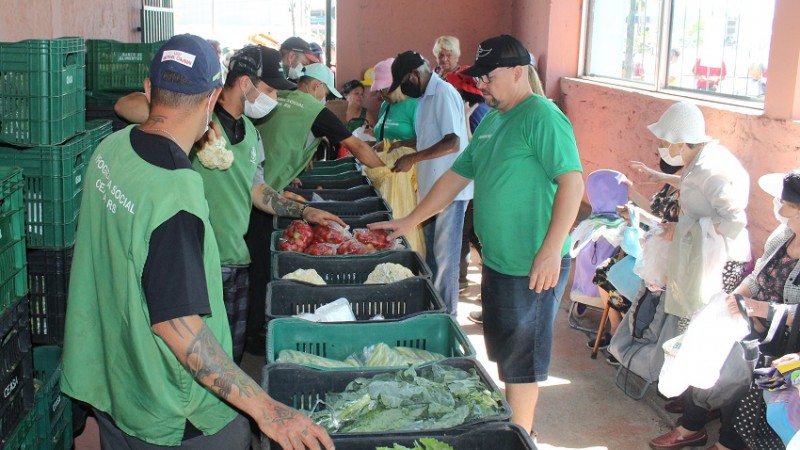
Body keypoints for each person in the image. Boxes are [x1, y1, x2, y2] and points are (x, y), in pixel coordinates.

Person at [60, 34, 333, 450]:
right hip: (169, 407)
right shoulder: (176, 194)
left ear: (150, 90)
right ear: (211, 100)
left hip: (112, 379)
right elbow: (176, 325)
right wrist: (265, 409)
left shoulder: (110, 149)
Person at [371, 34, 584, 436]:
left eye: (488, 76)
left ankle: (520, 437)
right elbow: (454, 178)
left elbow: (572, 183)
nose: (481, 84)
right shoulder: (493, 121)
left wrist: (552, 249)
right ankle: (519, 426)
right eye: (479, 76)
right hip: (500, 262)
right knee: (504, 355)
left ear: (518, 72)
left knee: (522, 364)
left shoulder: (541, 116)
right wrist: (409, 220)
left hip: (532, 264)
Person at [110, 45, 346, 363]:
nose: (274, 99)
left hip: (237, 262)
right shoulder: (197, 119)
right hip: (197, 261)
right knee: (191, 358)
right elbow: (127, 105)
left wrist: (304, 211)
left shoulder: (251, 133)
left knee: (227, 356)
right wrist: (198, 123)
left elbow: (257, 190)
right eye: (269, 89)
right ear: (245, 83)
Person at [650, 170, 800, 450]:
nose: (778, 205)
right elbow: (757, 276)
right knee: (705, 340)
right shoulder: (783, 235)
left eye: (785, 201)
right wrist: (737, 297)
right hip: (751, 319)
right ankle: (692, 425)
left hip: (786, 339)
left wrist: (761, 309)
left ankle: (729, 442)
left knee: (744, 364)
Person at [245, 62, 385, 353]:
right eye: (325, 92)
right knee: (258, 265)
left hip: (254, 182)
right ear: (316, 86)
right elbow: (357, 147)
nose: (325, 98)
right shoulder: (312, 107)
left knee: (253, 263)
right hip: (260, 193)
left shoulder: (279, 99)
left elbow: (277, 140)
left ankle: (251, 328)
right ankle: (253, 335)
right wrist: (387, 173)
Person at [385, 50, 473, 316]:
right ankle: (434, 309)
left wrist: (413, 157)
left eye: (404, 83)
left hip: (450, 193)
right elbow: (429, 138)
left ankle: (447, 317)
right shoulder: (424, 98)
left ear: (414, 74)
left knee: (445, 260)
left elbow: (452, 142)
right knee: (431, 256)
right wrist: (404, 144)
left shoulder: (443, 94)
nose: (404, 89)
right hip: (431, 191)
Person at [371, 57, 417, 143]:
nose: (382, 95)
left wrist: (393, 145)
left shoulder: (415, 105)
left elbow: (425, 141)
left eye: (384, 89)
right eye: (379, 90)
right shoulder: (385, 104)